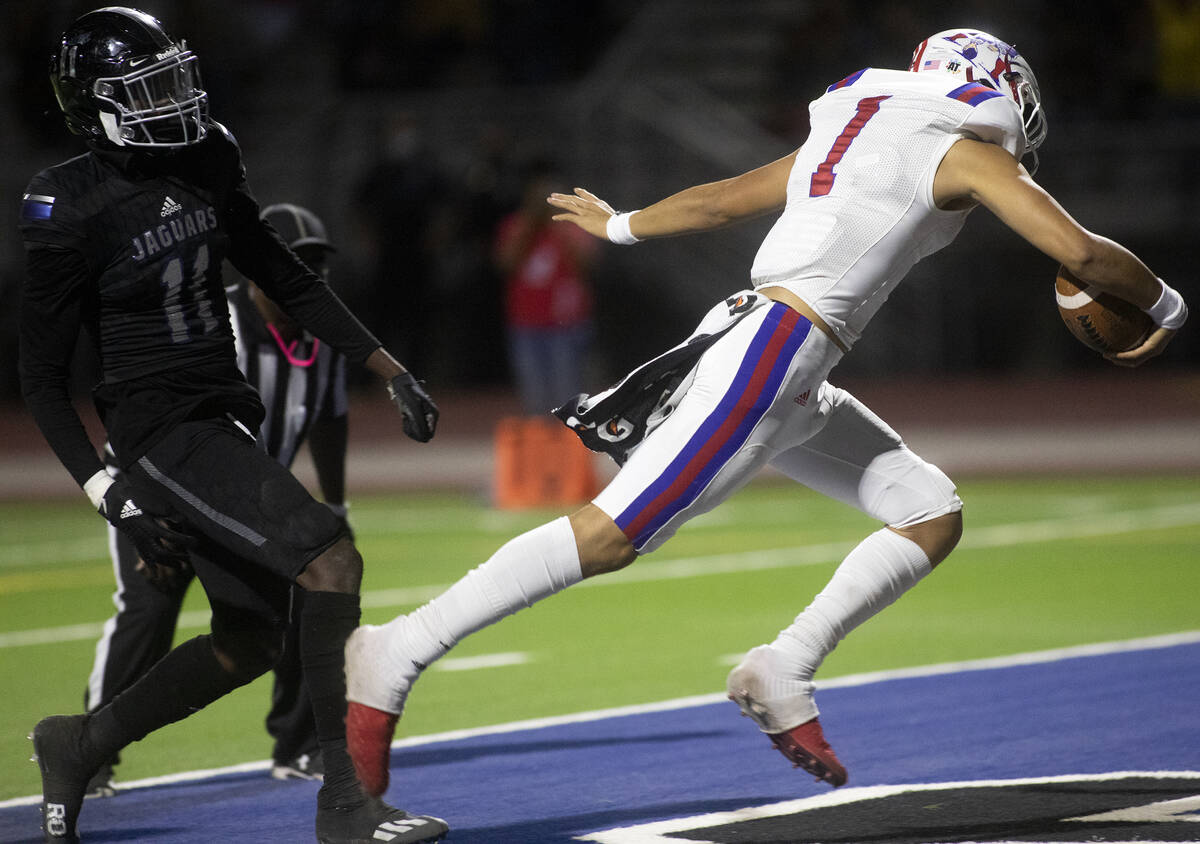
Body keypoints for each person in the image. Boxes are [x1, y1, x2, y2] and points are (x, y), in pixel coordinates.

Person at [341, 28, 1188, 798]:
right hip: (776, 350)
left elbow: (723, 199)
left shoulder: (855, 124)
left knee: (928, 512)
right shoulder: (966, 152)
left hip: (778, 350)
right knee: (612, 534)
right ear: (996, 85)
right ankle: (399, 645)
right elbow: (1078, 251)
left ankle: (782, 667)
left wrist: (625, 224)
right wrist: (1169, 307)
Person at [18, 8, 446, 843]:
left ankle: (79, 743)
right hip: (156, 429)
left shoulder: (207, 155)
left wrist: (386, 367)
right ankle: (344, 802)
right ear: (94, 105)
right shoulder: (65, 203)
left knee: (250, 637)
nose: (171, 100)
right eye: (145, 90)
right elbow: (39, 378)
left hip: (218, 414)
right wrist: (109, 491)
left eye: (172, 78)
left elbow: (278, 268)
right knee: (329, 559)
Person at [82, 203, 354, 796]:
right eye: (296, 263)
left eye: (317, 265)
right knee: (151, 607)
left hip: (243, 497)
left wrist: (336, 506)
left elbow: (331, 419)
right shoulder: (214, 321)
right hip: (154, 483)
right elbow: (149, 413)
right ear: (258, 270)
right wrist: (137, 518)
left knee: (312, 594)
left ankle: (299, 746)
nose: (310, 276)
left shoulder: (321, 337)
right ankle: (91, 749)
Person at [492, 157, 599, 414]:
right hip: (527, 324)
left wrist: (559, 223)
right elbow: (505, 264)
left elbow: (587, 265)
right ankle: (542, 450)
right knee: (535, 398)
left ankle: (570, 449)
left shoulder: (573, 225)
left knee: (568, 396)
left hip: (567, 325)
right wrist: (531, 224)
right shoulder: (516, 226)